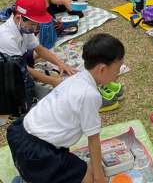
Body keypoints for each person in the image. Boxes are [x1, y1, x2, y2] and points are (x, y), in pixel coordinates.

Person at [7, 33, 125, 183]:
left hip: (20, 133)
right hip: (36, 152)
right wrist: (99, 177)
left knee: (79, 167)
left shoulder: (76, 77)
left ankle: (31, 176)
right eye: (117, 69)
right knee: (89, 177)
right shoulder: (90, 95)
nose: (118, 74)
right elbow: (93, 140)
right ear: (102, 69)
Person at [0, 0, 77, 93]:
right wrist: (53, 81)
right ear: (19, 18)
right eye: (33, 24)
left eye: (37, 24)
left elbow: (39, 49)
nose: (36, 28)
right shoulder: (7, 38)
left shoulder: (23, 26)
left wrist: (61, 64)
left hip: (18, 58)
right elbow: (23, 69)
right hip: (7, 70)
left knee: (36, 55)